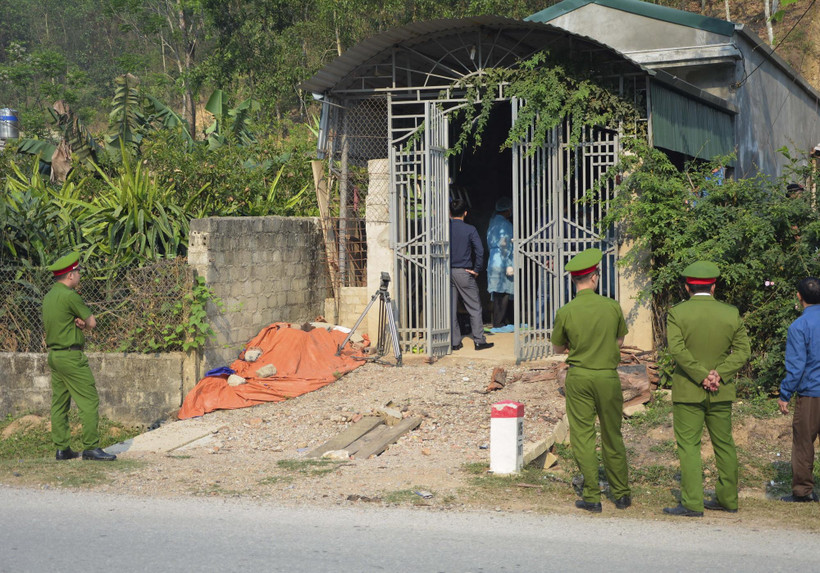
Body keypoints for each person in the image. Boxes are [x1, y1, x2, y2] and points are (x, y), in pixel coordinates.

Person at [663, 261, 749, 517]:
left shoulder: (677, 313)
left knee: (689, 446)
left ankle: (692, 503)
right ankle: (728, 499)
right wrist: (719, 374)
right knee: (724, 444)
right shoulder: (731, 313)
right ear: (714, 286)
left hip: (689, 390)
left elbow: (677, 350)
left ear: (687, 286)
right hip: (721, 390)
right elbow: (744, 351)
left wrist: (701, 376)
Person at [551, 247, 630, 512]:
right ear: (595, 277)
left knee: (583, 436)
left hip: (580, 377)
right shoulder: (612, 306)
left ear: (574, 280)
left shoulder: (566, 312)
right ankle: (621, 495)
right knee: (612, 435)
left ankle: (592, 497)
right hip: (607, 377)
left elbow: (558, 349)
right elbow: (619, 341)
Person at [42, 253, 116, 461]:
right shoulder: (70, 295)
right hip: (71, 357)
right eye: (78, 272)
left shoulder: (49, 296)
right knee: (89, 400)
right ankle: (91, 448)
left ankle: (62, 449)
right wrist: (85, 324)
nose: (79, 276)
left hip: (54, 356)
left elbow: (61, 323)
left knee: (59, 403)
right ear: (70, 275)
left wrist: (77, 325)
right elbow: (92, 323)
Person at [778, 277, 820, 503]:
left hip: (811, 394)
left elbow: (796, 366)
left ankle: (803, 491)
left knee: (804, 442)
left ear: (799, 296)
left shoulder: (799, 326)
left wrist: (785, 394)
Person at [450, 198, 493, 351]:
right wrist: (476, 269)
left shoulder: (444, 229)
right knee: (474, 307)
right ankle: (479, 341)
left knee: (451, 308)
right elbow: (480, 251)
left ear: (449, 213)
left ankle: (454, 342)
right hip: (464, 272)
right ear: (465, 213)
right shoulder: (470, 229)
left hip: (446, 272)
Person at [486, 197, 514, 328]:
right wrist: (508, 262)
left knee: (497, 292)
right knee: (503, 294)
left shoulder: (492, 223)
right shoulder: (505, 225)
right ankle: (499, 322)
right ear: (508, 210)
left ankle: (499, 321)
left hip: (493, 261)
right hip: (503, 261)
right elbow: (505, 245)